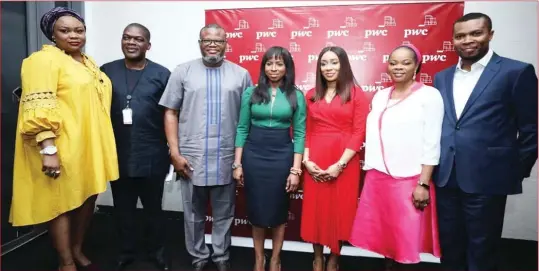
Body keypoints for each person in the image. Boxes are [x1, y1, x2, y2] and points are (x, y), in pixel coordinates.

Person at [9, 7, 119, 271]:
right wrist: (48, 149)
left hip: (89, 145)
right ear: (52, 34)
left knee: (88, 196)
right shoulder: (42, 61)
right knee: (60, 203)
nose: (74, 36)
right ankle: (65, 260)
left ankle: (77, 249)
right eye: (65, 31)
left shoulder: (88, 62)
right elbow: (38, 104)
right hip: (61, 144)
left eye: (79, 30)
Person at [433, 13, 538, 271]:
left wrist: (511, 171)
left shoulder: (516, 71)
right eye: (460, 36)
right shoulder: (441, 77)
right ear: (453, 40)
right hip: (446, 177)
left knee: (482, 248)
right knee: (450, 247)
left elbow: (532, 130)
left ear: (490, 34)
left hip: (489, 179)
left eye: (476, 33)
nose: (467, 40)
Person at [159, 23, 253, 271]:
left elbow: (246, 119)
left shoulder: (241, 75)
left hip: (226, 156)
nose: (212, 45)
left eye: (218, 41)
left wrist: (240, 159)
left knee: (224, 212)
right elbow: (170, 112)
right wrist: (175, 153)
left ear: (226, 44)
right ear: (199, 43)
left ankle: (221, 255)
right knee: (192, 214)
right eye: (207, 40)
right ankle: (198, 256)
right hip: (192, 157)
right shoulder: (183, 72)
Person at [348, 44, 443, 270]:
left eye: (405, 62)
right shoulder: (381, 96)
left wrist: (423, 182)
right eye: (393, 63)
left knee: (404, 237)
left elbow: (432, 142)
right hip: (378, 176)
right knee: (384, 236)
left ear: (416, 66)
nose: (398, 67)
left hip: (409, 178)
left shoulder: (429, 96)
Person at [100, 23, 171, 271]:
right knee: (123, 209)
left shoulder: (162, 74)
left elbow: (171, 116)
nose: (131, 42)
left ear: (147, 45)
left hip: (153, 154)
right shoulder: (106, 71)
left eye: (138, 39)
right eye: (127, 37)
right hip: (117, 153)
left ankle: (157, 252)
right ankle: (126, 252)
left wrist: (174, 150)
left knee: (154, 209)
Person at [233, 46, 306, 271]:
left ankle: (275, 258)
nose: (274, 68)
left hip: (282, 156)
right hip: (254, 156)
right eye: (269, 63)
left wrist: (295, 170)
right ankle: (258, 259)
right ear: (264, 67)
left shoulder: (296, 95)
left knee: (279, 209)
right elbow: (242, 128)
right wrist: (237, 163)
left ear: (287, 67)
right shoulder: (251, 93)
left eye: (279, 64)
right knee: (256, 209)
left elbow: (301, 133)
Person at [300, 46, 370, 271]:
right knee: (316, 210)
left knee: (340, 210)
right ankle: (317, 257)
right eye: (324, 63)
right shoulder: (311, 94)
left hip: (344, 161)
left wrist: (339, 165)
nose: (328, 68)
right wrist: (307, 161)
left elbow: (359, 132)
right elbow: (306, 131)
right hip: (315, 159)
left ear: (343, 65)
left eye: (334, 62)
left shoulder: (357, 94)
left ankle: (334, 258)